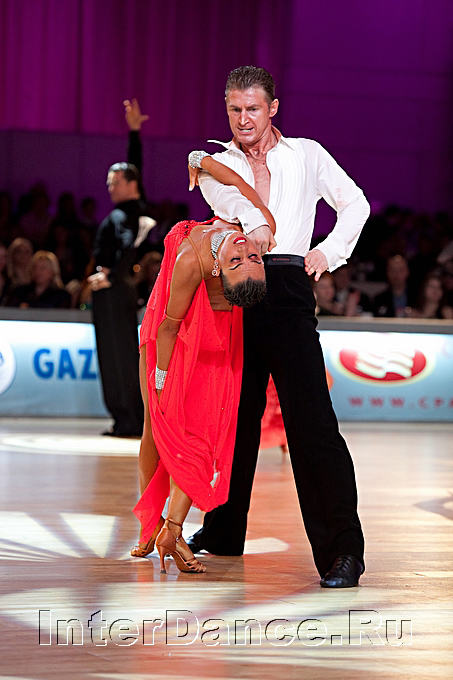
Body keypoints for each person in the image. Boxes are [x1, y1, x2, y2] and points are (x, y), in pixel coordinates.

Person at [186, 66, 370, 588]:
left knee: (312, 425)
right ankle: (223, 530)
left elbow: (354, 203)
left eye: (252, 108)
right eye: (234, 109)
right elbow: (233, 204)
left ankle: (343, 551)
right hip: (236, 291)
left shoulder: (306, 154)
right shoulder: (218, 165)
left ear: (272, 109)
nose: (243, 119)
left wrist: (329, 253)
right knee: (232, 420)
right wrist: (254, 221)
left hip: (288, 286)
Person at [131, 157, 276, 574]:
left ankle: (172, 530)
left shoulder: (200, 259)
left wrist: (162, 379)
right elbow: (168, 327)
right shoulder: (251, 234)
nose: (245, 251)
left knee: (203, 438)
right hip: (168, 339)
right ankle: (151, 524)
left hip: (212, 343)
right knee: (155, 429)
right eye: (249, 258)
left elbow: (174, 324)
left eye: (241, 261)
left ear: (219, 273)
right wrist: (202, 160)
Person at [88, 162, 153, 437]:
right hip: (119, 290)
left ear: (131, 184)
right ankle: (128, 419)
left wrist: (111, 276)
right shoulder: (133, 212)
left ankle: (128, 420)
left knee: (117, 356)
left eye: (115, 182)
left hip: (114, 292)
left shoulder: (121, 215)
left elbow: (127, 246)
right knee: (121, 355)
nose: (110, 187)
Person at [3, 250, 70, 308]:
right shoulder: (20, 292)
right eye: (35, 267)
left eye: (42, 268)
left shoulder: (61, 295)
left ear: (52, 272)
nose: (37, 271)